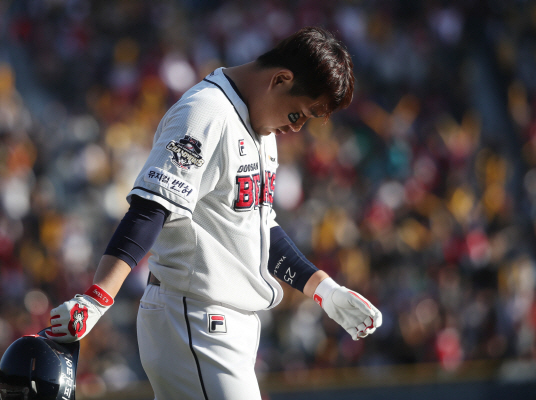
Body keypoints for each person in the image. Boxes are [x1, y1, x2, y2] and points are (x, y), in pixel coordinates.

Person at [46, 26, 383, 400]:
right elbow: (150, 209)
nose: (296, 127)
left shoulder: (260, 128)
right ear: (281, 79)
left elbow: (256, 228)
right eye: (297, 114)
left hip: (222, 325)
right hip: (194, 316)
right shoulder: (205, 111)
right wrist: (97, 297)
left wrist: (323, 289)